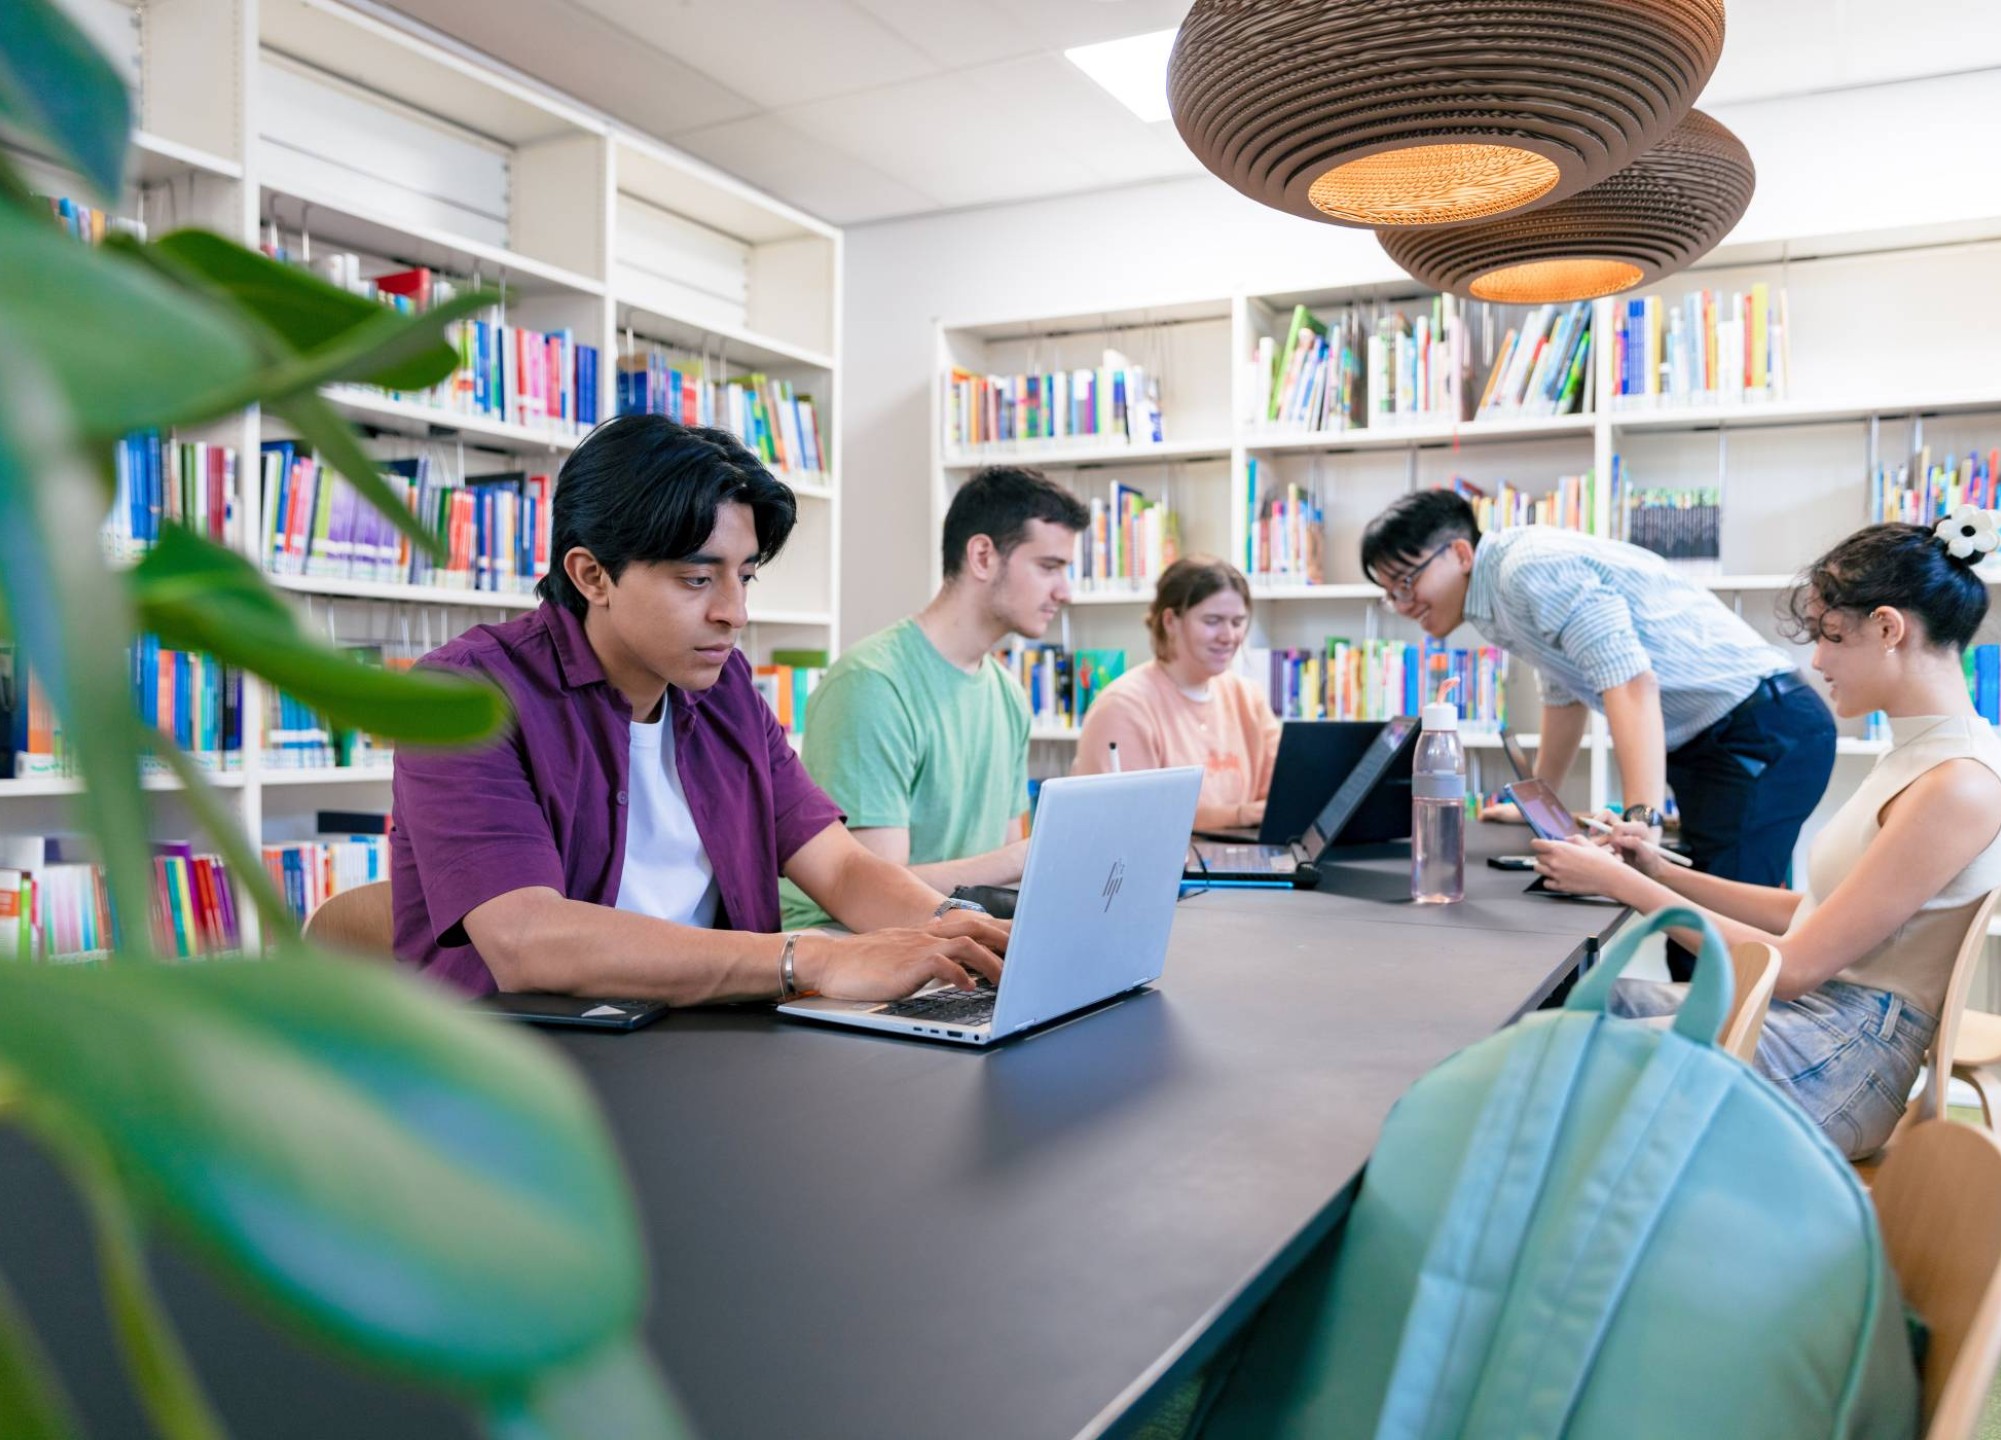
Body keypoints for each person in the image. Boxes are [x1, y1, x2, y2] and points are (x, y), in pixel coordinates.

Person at [390, 415, 1009, 1003]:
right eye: (696, 579)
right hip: (527, 1073)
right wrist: (810, 958)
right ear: (592, 575)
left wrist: (958, 928)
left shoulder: (726, 687)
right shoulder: (465, 696)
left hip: (705, 1047)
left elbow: (841, 866)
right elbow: (527, 941)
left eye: (745, 576)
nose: (734, 613)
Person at [1534, 513, 2001, 1159]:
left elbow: (1795, 966)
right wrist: (1657, 871)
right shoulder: (1924, 759)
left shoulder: (1959, 784)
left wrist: (1618, 884)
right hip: (1817, 1030)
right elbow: (1814, 917)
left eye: (1832, 636)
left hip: (1839, 1061)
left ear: (1888, 628)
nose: (1815, 659)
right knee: (1554, 1012)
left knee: (1549, 1059)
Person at [1361, 489, 1836, 980]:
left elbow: (1630, 682)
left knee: (1708, 945)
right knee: (1708, 923)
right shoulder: (1495, 595)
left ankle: (1743, 1054)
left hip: (1760, 730)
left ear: (1459, 554)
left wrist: (1641, 820)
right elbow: (1564, 695)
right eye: (1390, 591)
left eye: (1407, 581)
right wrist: (1538, 796)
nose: (1402, 603)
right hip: (1721, 739)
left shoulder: (1526, 569)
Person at [780, 465, 1089, 928]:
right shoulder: (871, 685)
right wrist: (1032, 853)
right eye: (1049, 567)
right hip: (848, 950)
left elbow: (1001, 875)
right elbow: (872, 895)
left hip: (953, 939)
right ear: (983, 556)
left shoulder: (1008, 695)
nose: (1064, 591)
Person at [1071, 556, 1281, 832]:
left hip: (1242, 863)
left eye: (1238, 622)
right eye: (1213, 621)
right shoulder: (1123, 707)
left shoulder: (1248, 697)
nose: (1228, 636)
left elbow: (1279, 800)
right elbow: (1137, 821)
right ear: (1170, 621)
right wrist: (1238, 815)